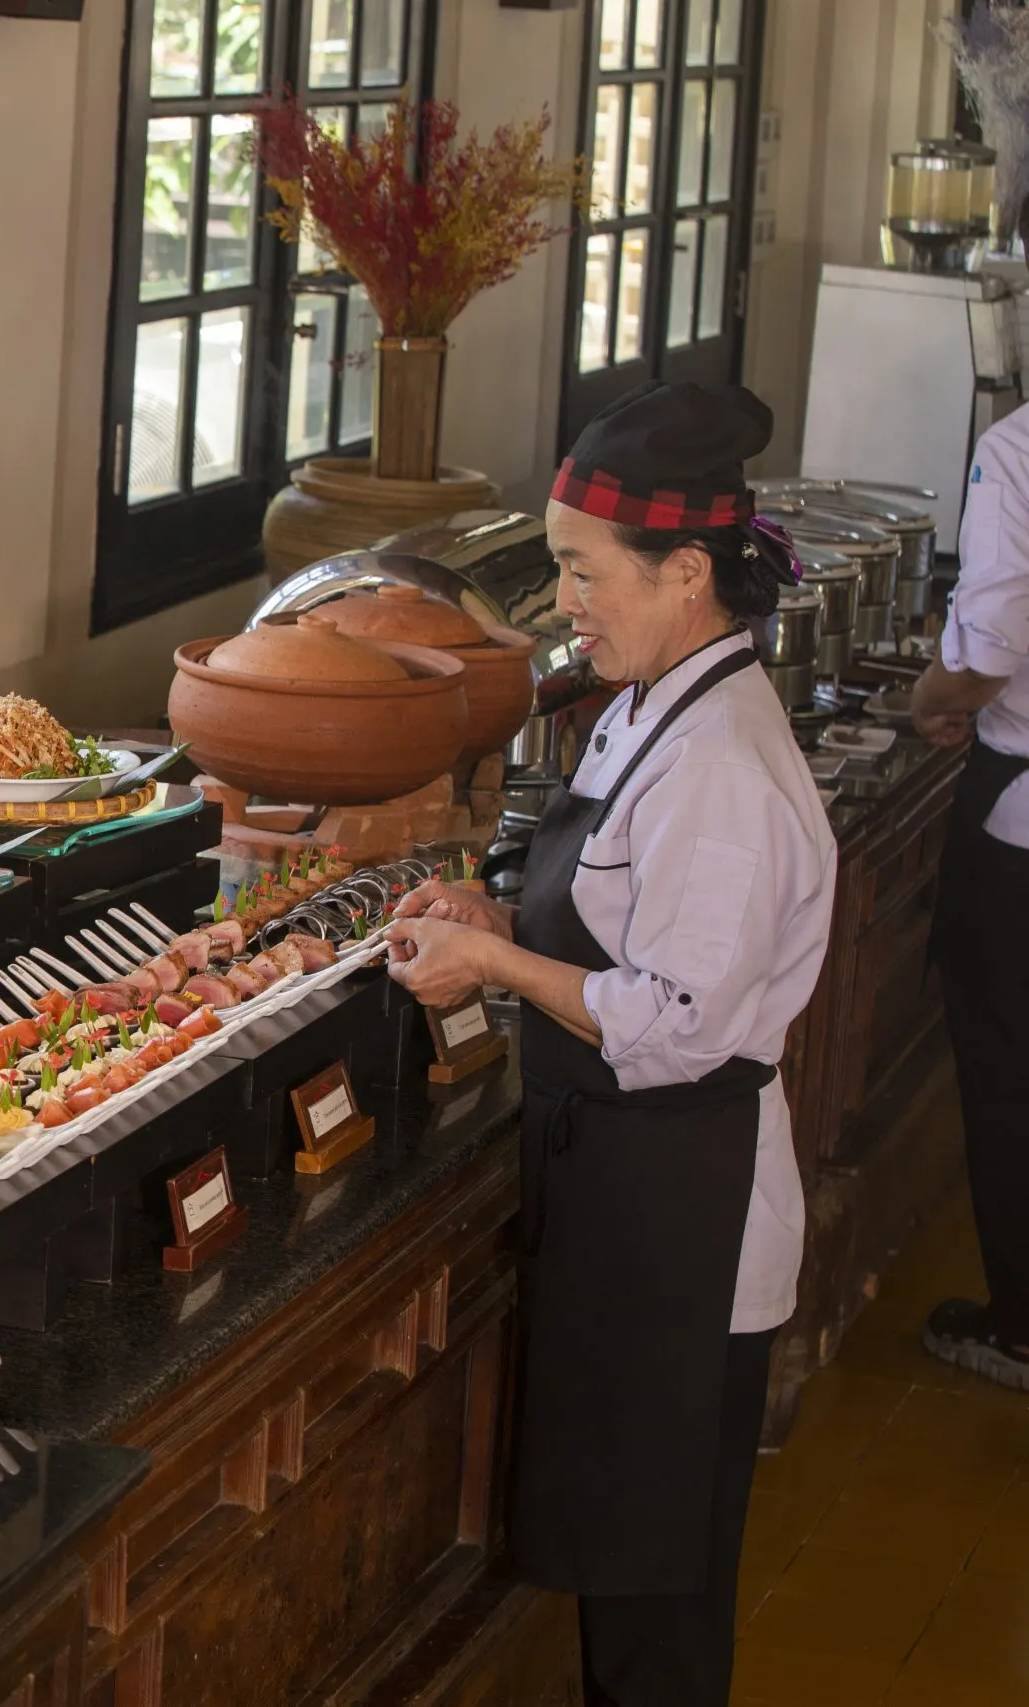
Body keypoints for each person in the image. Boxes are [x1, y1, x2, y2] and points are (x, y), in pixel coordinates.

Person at [383, 382, 836, 1707]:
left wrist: (499, 964)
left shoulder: (725, 770)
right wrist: (495, 912)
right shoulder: (658, 701)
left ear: (685, 571)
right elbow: (619, 911)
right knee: (627, 1575)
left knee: (660, 1617)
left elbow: (682, 1020)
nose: (567, 602)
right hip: (635, 1197)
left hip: (686, 1216)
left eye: (583, 572)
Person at [911, 404, 1029, 1389]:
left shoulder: (1018, 448)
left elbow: (987, 650)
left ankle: (1021, 1328)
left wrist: (928, 702)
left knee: (1010, 1071)